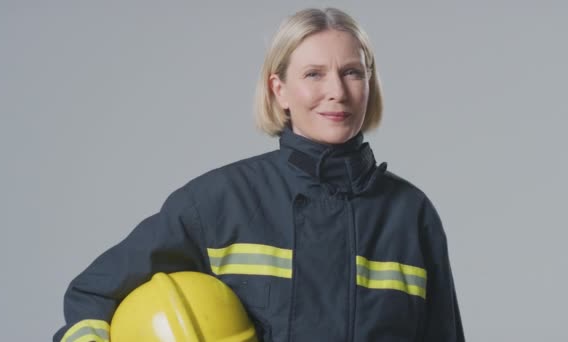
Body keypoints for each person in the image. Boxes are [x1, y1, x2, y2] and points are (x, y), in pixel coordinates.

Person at [54, 7, 464, 342]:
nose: (337, 91)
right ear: (279, 89)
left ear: (369, 84)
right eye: (313, 74)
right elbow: (92, 293)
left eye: (352, 72)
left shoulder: (410, 214)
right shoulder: (220, 202)